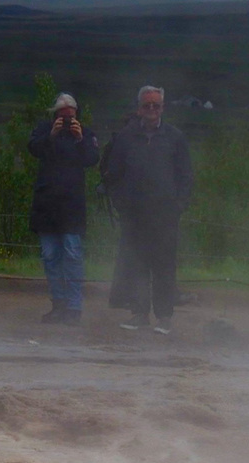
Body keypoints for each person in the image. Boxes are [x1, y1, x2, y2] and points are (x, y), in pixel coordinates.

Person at [101, 86, 192, 335]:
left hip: (165, 216)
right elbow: (113, 174)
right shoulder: (126, 137)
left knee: (164, 266)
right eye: (147, 105)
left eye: (156, 105)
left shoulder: (176, 137)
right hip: (134, 215)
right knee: (136, 265)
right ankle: (139, 314)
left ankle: (164, 318)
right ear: (139, 108)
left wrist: (179, 205)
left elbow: (186, 176)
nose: (151, 110)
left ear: (163, 108)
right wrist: (121, 203)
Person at [26, 92, 100, 326]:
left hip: (72, 205)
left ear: (76, 114)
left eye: (71, 115)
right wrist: (52, 135)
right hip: (47, 204)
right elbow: (33, 149)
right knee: (50, 256)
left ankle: (74, 307)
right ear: (55, 115)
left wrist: (79, 139)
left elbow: (92, 159)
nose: (67, 120)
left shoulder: (85, 133)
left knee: (72, 254)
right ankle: (58, 305)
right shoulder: (44, 130)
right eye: (63, 116)